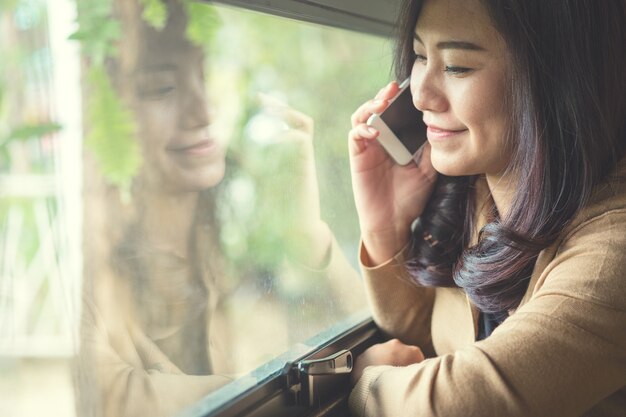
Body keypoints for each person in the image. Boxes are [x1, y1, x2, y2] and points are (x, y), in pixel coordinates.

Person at [76, 1, 364, 417]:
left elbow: (357, 337)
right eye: (162, 88)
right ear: (104, 120)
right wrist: (263, 389)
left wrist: (307, 232)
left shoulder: (235, 246)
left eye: (207, 77)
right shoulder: (89, 284)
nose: (204, 110)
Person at [347, 0, 626, 415]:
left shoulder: (613, 250)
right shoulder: (479, 196)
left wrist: (368, 383)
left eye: (458, 65)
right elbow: (434, 343)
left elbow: (460, 402)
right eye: (421, 56)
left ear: (555, 78)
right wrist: (386, 231)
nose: (421, 95)